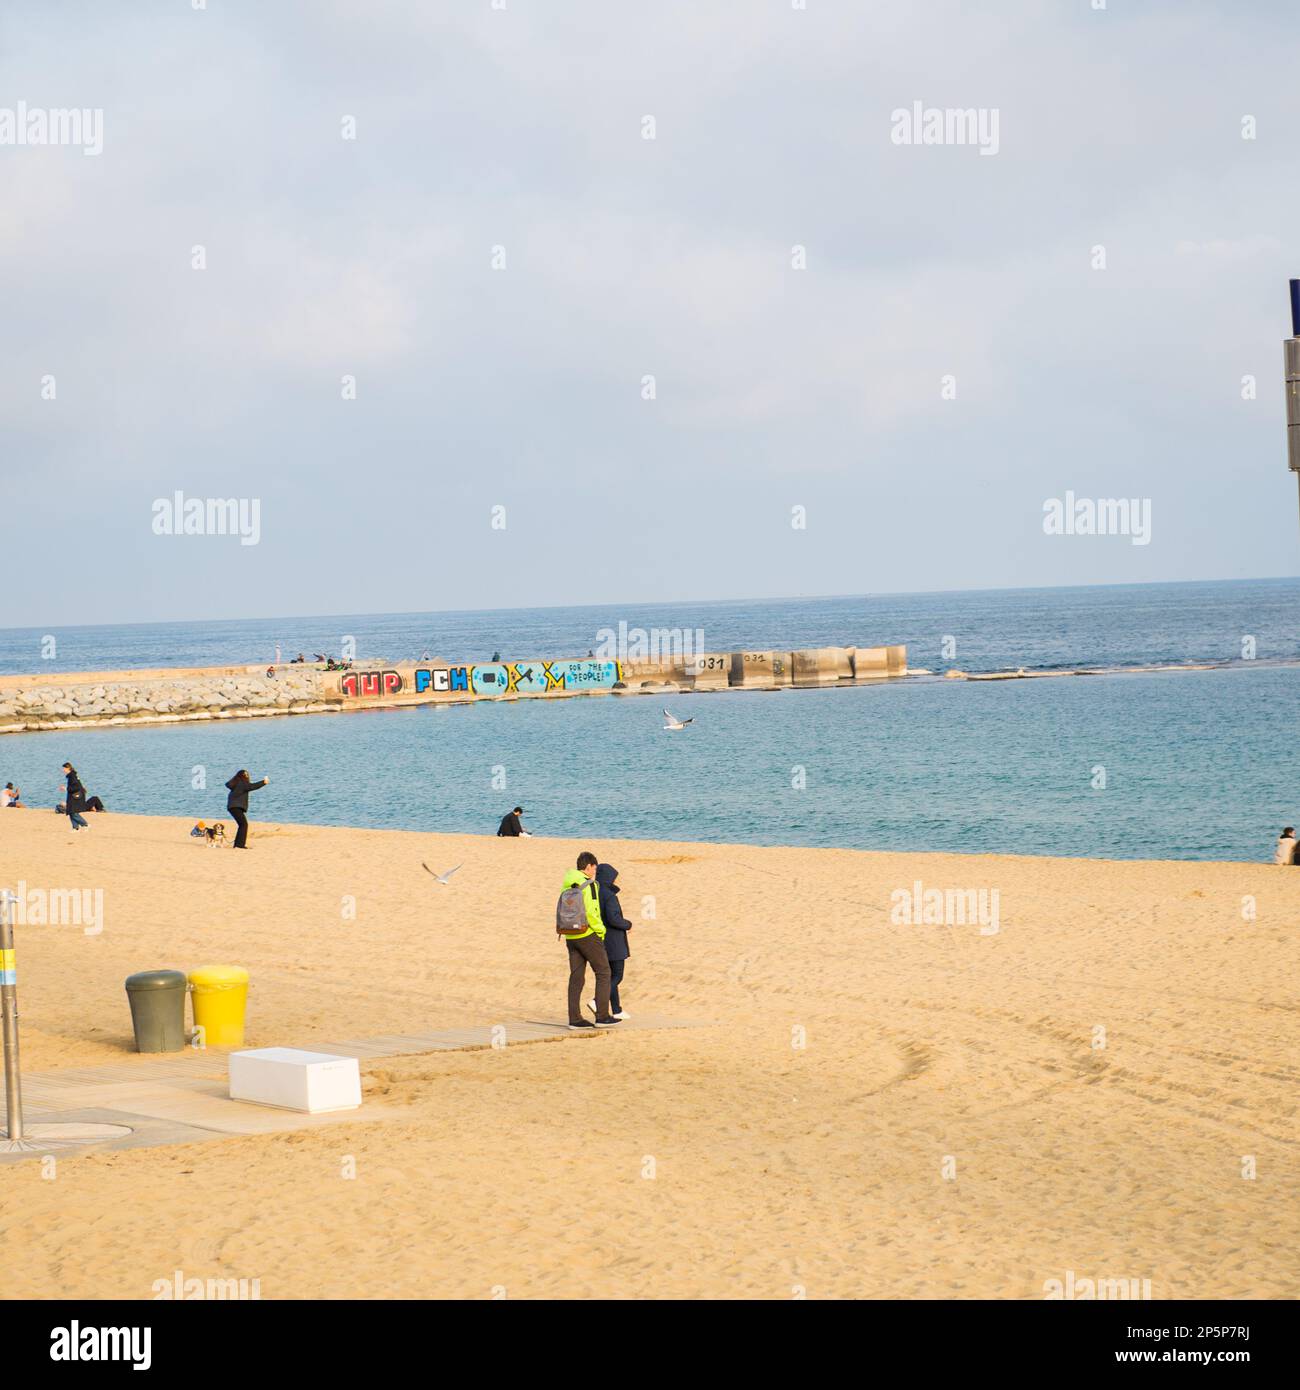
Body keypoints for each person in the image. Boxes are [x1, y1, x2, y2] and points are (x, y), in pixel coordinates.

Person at [558, 851, 618, 1030]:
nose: (595, 871)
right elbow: (592, 912)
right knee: (604, 972)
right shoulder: (590, 885)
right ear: (588, 867)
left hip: (569, 933)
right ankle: (602, 1016)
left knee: (576, 976)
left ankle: (574, 1019)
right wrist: (600, 931)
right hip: (586, 934)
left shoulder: (568, 882)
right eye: (594, 868)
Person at [589, 863, 634, 1021]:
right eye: (614, 878)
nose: (615, 881)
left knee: (609, 976)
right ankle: (596, 1000)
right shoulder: (609, 895)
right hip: (614, 940)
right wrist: (628, 924)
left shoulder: (595, 892)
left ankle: (616, 1009)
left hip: (601, 939)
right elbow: (614, 919)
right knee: (617, 975)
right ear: (608, 878)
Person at [225, 769, 269, 849]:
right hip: (236, 807)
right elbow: (252, 786)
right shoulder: (242, 784)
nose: (248, 777)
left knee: (242, 825)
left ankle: (237, 844)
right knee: (244, 825)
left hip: (232, 807)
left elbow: (227, 784)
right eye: (246, 775)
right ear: (244, 777)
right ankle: (239, 845)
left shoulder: (235, 784)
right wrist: (264, 782)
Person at [61, 762, 90, 831]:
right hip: (74, 795)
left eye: (64, 768)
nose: (63, 770)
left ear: (68, 768)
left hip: (76, 795)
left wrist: (66, 788)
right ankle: (75, 828)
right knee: (70, 811)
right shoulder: (72, 775)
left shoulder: (72, 776)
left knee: (73, 812)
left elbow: (76, 787)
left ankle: (85, 824)